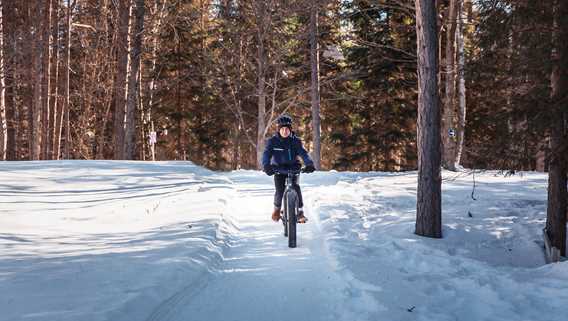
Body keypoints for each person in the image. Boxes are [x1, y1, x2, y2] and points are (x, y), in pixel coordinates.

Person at [262, 114, 315, 223]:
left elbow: (304, 153)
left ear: (290, 130)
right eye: (282, 129)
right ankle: (276, 210)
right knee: (279, 191)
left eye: (287, 129)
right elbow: (266, 154)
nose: (285, 131)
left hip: (293, 169)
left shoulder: (296, 141)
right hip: (278, 169)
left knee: (296, 187)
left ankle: (300, 212)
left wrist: (309, 164)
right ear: (279, 129)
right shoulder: (272, 141)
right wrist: (266, 165)